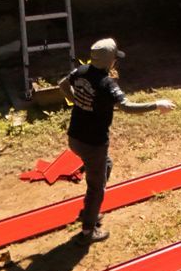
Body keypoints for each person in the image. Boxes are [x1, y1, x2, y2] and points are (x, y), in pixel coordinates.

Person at [59, 38, 173, 241]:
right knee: (97, 187)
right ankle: (88, 227)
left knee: (106, 166)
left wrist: (77, 99)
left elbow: (63, 84)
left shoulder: (81, 70)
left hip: (74, 137)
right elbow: (127, 107)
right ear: (110, 62)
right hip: (93, 143)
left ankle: (90, 210)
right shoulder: (106, 84)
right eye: (114, 59)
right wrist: (156, 104)